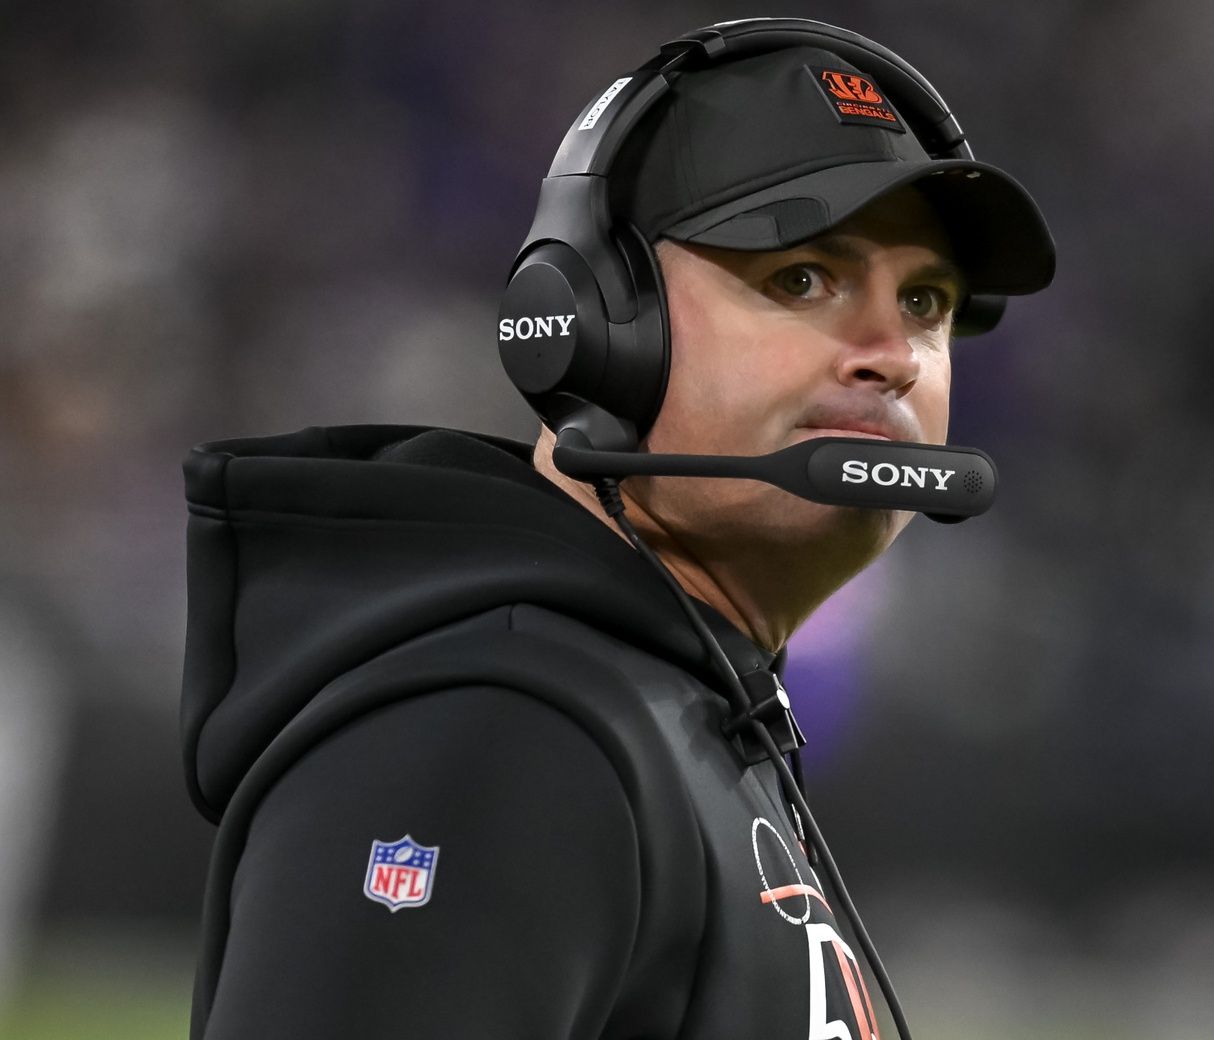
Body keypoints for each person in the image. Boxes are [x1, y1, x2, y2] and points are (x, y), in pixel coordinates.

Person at [179, 20, 1053, 1040]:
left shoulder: (675, 708)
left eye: (925, 298)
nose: (892, 352)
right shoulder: (505, 728)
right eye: (802, 277)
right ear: (593, 325)